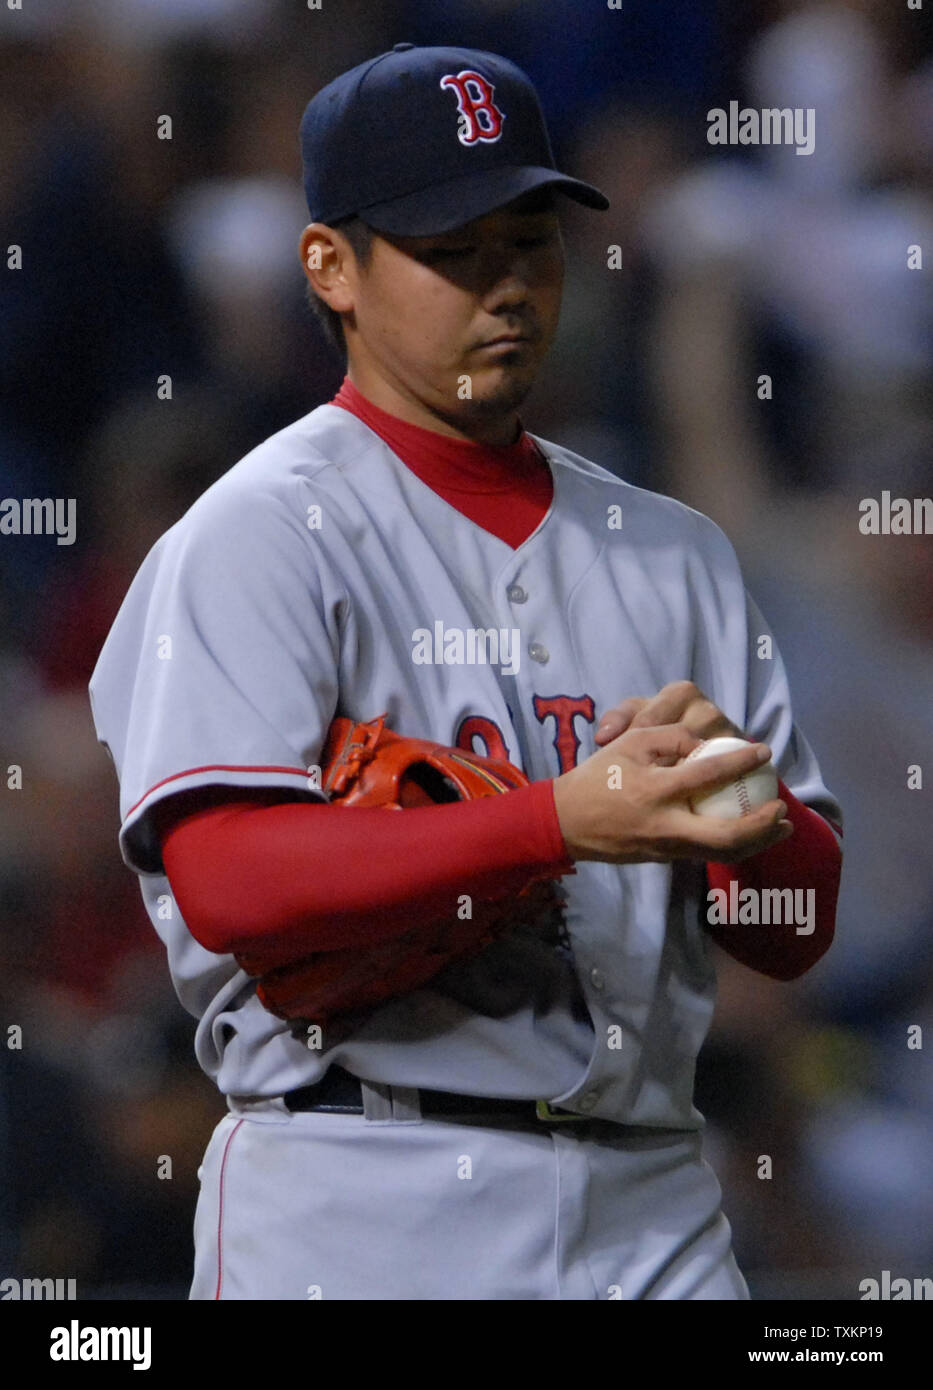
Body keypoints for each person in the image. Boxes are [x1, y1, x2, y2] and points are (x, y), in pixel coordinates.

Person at [88, 44, 842, 1301]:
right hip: (360, 1187)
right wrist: (555, 822)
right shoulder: (258, 531)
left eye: (529, 241)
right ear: (331, 266)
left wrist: (737, 815)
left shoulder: (670, 549)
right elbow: (229, 881)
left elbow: (795, 929)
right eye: (453, 252)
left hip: (650, 1201)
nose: (506, 288)